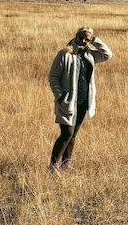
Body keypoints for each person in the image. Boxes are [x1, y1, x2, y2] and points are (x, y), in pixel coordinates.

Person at [48, 26, 112, 172]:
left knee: (74, 134)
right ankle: (53, 167)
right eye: (80, 37)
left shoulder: (90, 55)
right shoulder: (65, 54)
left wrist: (95, 40)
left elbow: (108, 55)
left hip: (83, 101)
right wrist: (61, 96)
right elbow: (53, 77)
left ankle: (66, 164)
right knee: (67, 134)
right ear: (75, 36)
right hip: (68, 102)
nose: (83, 41)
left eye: (86, 39)